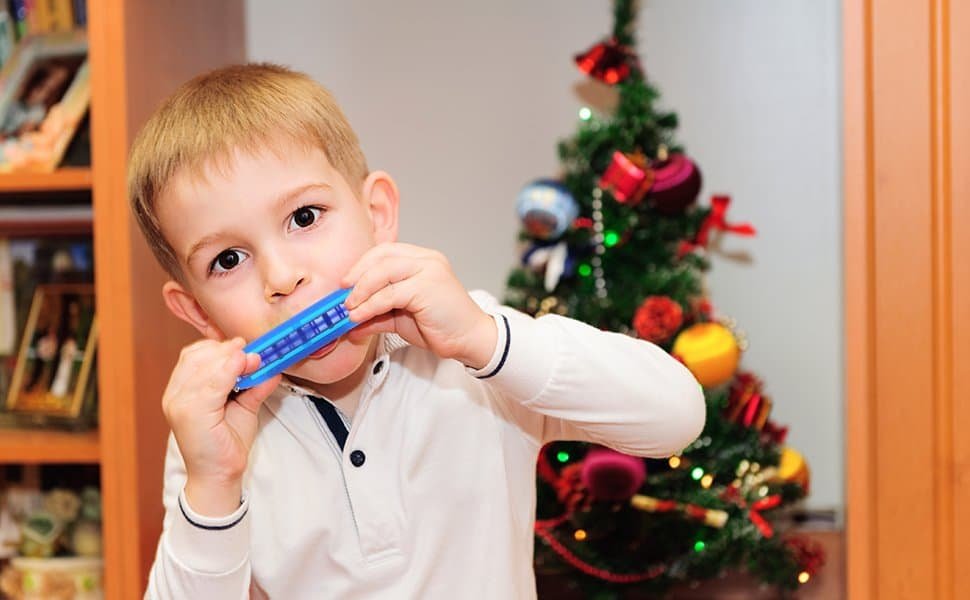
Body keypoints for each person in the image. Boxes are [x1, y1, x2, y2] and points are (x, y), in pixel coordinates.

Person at [128, 63, 705, 599]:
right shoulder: (213, 440)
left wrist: (489, 342)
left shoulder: (475, 349)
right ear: (198, 313)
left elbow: (677, 416)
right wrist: (211, 484)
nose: (282, 278)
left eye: (304, 218)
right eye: (228, 260)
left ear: (377, 214)